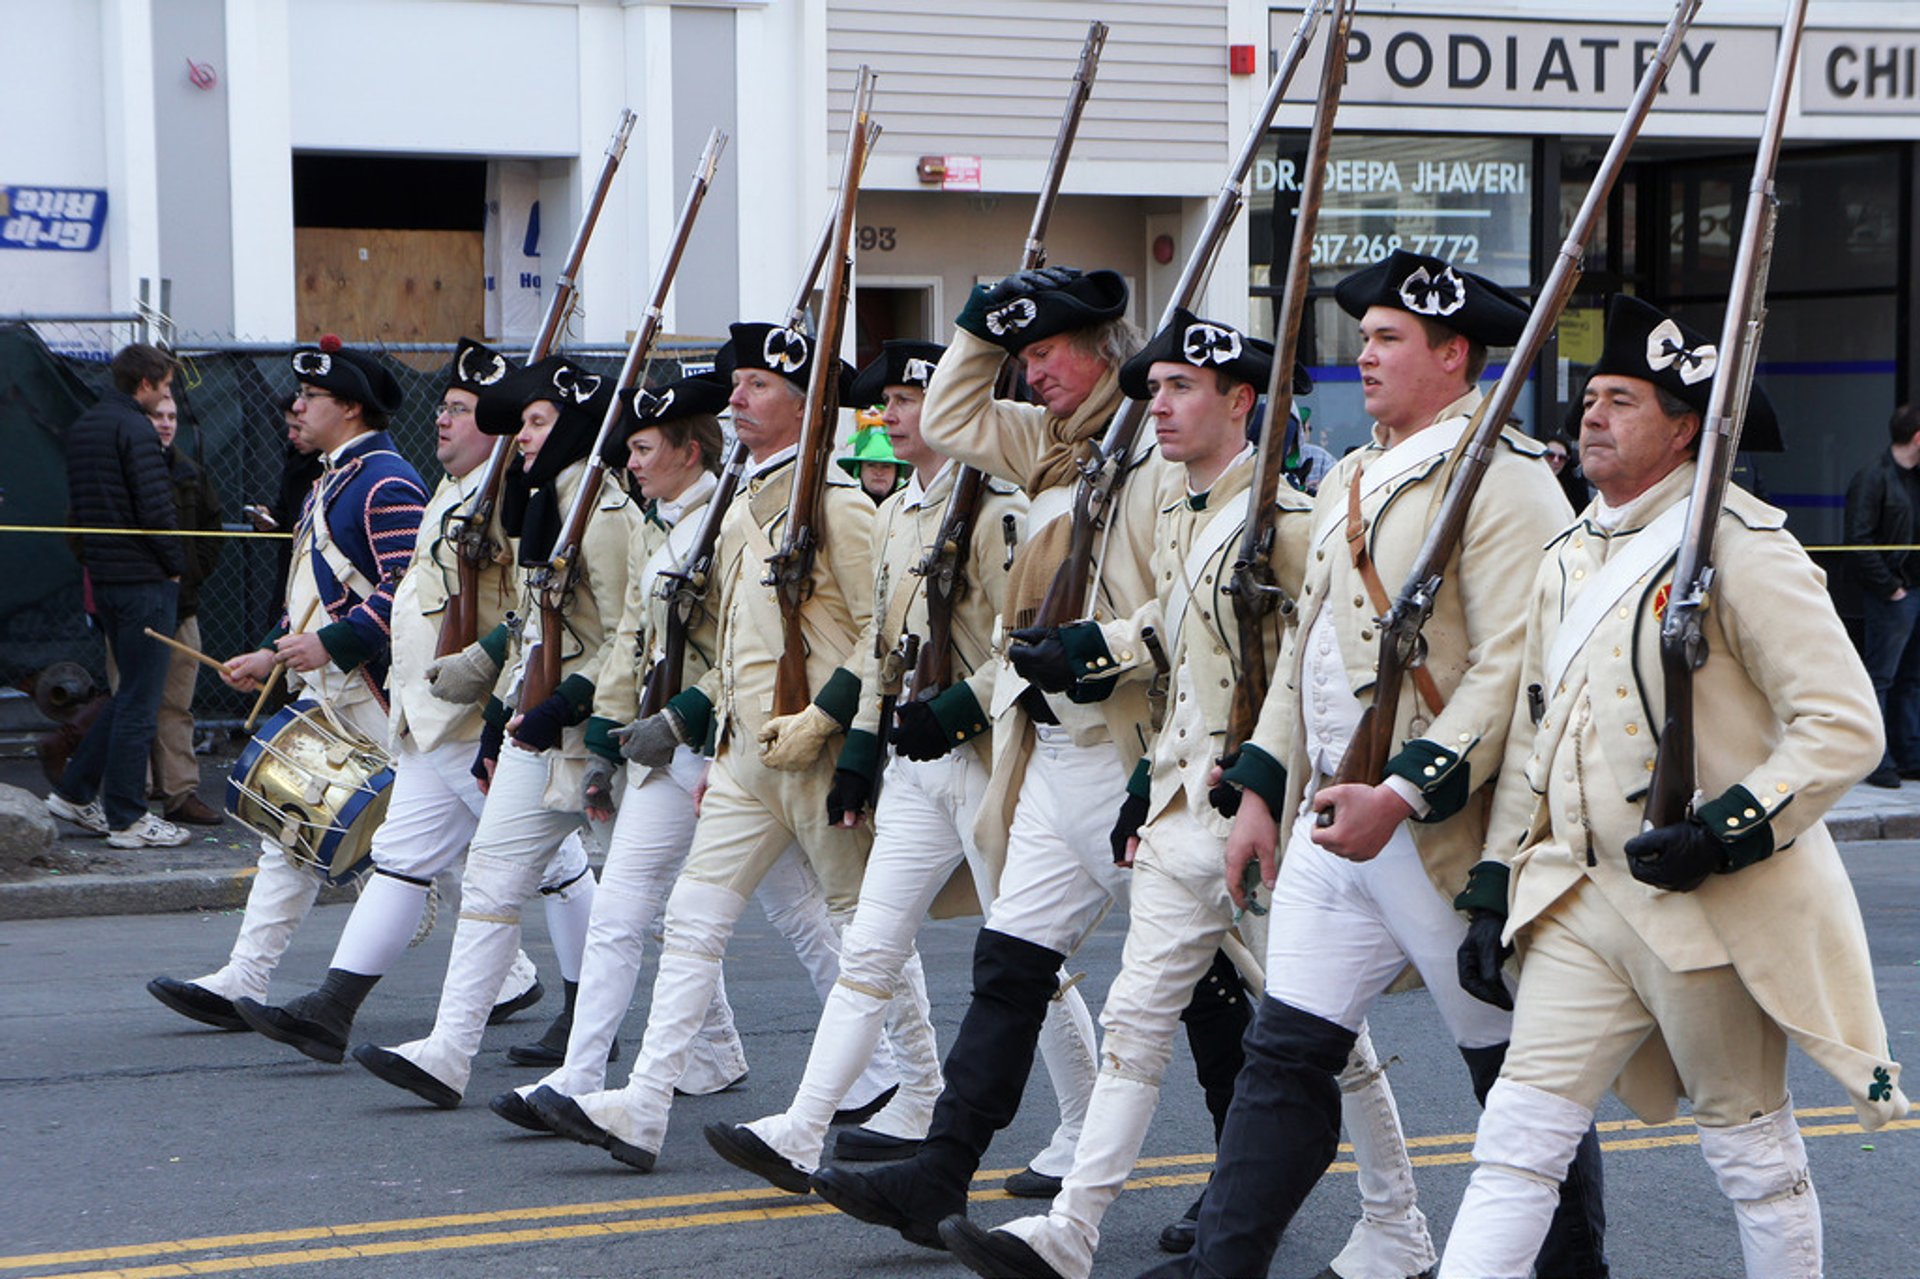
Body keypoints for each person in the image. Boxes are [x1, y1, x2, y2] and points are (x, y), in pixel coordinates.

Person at [940, 312, 1445, 1279]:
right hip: (1180, 807)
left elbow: (1321, 674)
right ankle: (1072, 1231)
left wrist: (1295, 787)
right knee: (1135, 1019)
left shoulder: (1290, 523)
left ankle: (1397, 1222)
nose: (1158, 407)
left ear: (1242, 400)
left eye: (1180, 389)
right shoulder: (1178, 513)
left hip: (1263, 814)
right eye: (1154, 388)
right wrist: (1123, 730)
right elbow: (1173, 650)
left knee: (1332, 1037)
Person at [1144, 251, 1607, 1279]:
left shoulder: (1509, 477)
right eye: (1365, 337)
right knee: (1285, 1059)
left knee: (1518, 1080)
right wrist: (1264, 786)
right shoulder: (1354, 472)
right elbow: (1307, 651)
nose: (1366, 355)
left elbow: (1512, 663)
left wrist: (1402, 793)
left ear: (1454, 355)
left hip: (1434, 832)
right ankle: (1225, 1263)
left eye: (1391, 338)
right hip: (1326, 825)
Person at [1439, 294, 1909, 1278]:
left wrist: (1727, 829)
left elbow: (1846, 725)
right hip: (1575, 901)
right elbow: (1541, 735)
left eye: (1623, 399)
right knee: (1515, 1141)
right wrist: (1494, 886)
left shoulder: (1740, 544)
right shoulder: (1569, 556)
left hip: (1702, 911)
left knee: (1750, 1153)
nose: (1592, 414)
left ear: (1683, 426)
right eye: (1592, 396)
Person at [808, 267, 1225, 1248]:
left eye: (1050, 353)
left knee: (1217, 984)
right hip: (1050, 746)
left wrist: (1102, 646)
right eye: (1026, 356)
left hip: (1145, 746)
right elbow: (953, 410)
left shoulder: (1159, 454)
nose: (1034, 374)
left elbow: (1188, 602)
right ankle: (940, 1171)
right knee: (1010, 967)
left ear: (1105, 352)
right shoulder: (1045, 443)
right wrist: (977, 324)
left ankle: (1244, 1183)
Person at [705, 340, 1102, 1195]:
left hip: (993, 758)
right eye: (884, 399)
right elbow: (885, 646)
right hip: (917, 763)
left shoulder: (1003, 507)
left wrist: (959, 708)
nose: (892, 413)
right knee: (871, 946)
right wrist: (855, 746)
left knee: (1029, 955)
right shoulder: (896, 512)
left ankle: (1083, 1125)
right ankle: (804, 1128)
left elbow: (1029, 640)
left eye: (912, 396)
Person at [525, 320, 900, 1171]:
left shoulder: (840, 506)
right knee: (690, 920)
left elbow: (885, 633)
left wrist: (834, 722)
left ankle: (913, 1087)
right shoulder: (744, 509)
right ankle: (643, 1105)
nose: (735, 395)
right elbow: (734, 649)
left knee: (858, 931)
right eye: (737, 384)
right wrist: (697, 727)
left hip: (814, 749)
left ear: (808, 407)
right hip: (740, 758)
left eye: (759, 384)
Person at [231, 339, 587, 1064]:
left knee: (556, 868)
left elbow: (528, 607)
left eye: (463, 411)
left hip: (486, 715)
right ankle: (334, 1007)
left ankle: (593, 1015)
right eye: (448, 407)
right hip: (427, 714)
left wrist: (478, 670)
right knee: (398, 860)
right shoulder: (450, 493)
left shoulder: (507, 495)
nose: (445, 421)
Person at [349, 353, 630, 1108]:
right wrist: (496, 694)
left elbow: (620, 636)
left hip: (595, 730)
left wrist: (554, 705)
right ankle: (449, 1051)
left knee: (661, 905)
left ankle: (697, 1051)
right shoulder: (547, 501)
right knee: (491, 879)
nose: (525, 437)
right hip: (538, 728)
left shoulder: (599, 512)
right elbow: (532, 622)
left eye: (538, 422)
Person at [146, 336, 428, 1030]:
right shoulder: (330, 478)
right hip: (331, 686)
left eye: (310, 399)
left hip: (375, 690)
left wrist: (326, 643)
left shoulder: (386, 481)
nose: (294, 410)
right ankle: (246, 976)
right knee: (293, 830)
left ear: (352, 408)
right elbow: (311, 598)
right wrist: (268, 655)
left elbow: (412, 595)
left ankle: (512, 976)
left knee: (432, 841)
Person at [45, 341, 190, 849]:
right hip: (143, 581)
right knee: (141, 702)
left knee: (127, 693)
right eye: (166, 385)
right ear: (146, 384)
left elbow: (79, 512)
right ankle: (127, 818)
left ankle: (76, 791)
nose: (167, 395)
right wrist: (175, 566)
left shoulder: (86, 426)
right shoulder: (135, 428)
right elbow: (155, 508)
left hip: (104, 579)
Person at [143, 392, 224, 826]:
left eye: (172, 416)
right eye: (157, 414)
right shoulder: (125, 470)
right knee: (133, 699)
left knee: (177, 703)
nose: (166, 423)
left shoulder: (190, 473)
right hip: (135, 607)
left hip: (182, 607)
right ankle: (135, 793)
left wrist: (190, 576)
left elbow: (212, 531)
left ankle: (179, 793)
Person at [1842, 403, 1920, 787]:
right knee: (1882, 678)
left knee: (1912, 678)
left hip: (1913, 592)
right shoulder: (1874, 478)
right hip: (1893, 594)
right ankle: (1878, 759)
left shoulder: (1914, 478)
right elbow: (1858, 540)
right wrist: (1891, 588)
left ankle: (1910, 754)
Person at [840, 419, 909, 504]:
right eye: (871, 465)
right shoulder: (843, 505)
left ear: (897, 472)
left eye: (886, 466)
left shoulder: (911, 511)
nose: (879, 473)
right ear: (859, 470)